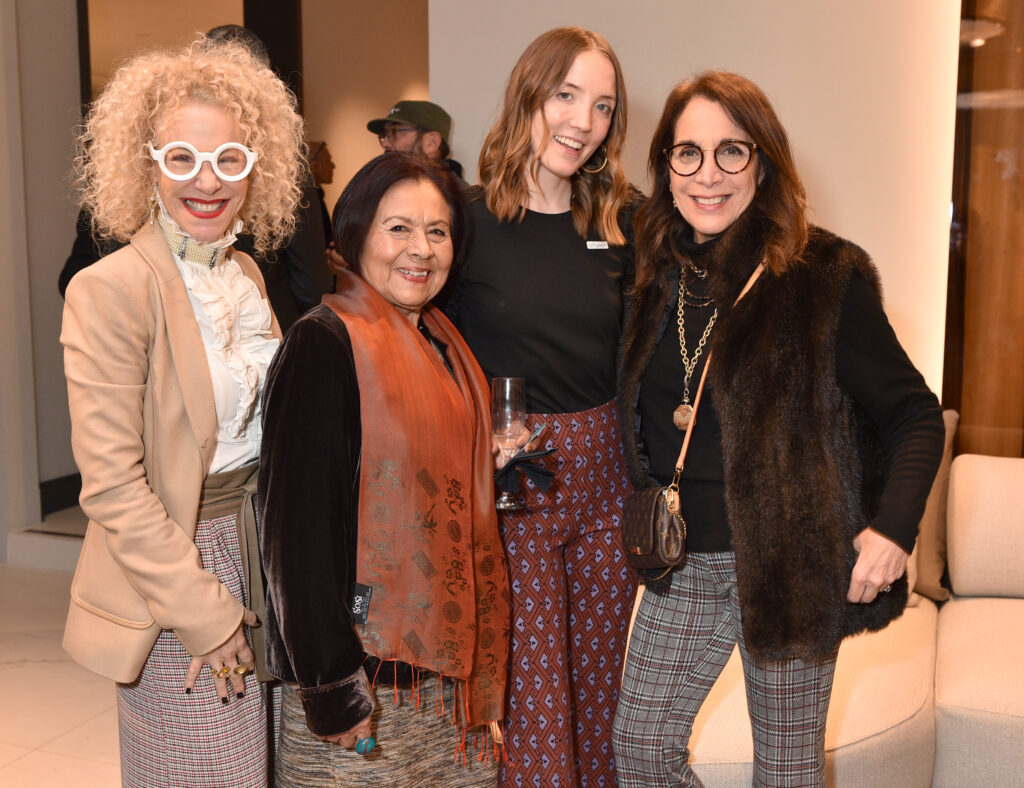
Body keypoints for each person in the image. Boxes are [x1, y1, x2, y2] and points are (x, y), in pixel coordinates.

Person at [611, 70, 945, 787]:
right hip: (681, 561)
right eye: (687, 152)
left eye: (731, 151)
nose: (708, 174)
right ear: (666, 165)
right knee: (639, 752)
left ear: (762, 164)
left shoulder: (822, 275)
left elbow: (915, 412)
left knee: (787, 774)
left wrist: (894, 530)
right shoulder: (652, 274)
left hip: (790, 564)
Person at [60, 39, 305, 787]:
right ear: (146, 167)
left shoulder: (245, 273)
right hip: (174, 567)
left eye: (229, 158)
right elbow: (112, 487)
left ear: (255, 168)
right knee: (206, 773)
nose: (208, 181)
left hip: (259, 551)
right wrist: (205, 612)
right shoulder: (109, 289)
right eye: (182, 159)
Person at [259, 152, 511, 787]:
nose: (420, 249)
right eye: (397, 228)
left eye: (437, 231)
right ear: (354, 234)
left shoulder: (444, 344)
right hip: (364, 682)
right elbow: (296, 534)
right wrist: (332, 691)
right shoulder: (323, 342)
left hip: (447, 686)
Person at [441, 26, 639, 788]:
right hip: (517, 482)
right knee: (535, 703)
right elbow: (427, 346)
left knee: (600, 693)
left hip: (608, 482)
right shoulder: (465, 221)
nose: (583, 122)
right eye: (566, 96)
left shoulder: (620, 220)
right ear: (529, 94)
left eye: (602, 106)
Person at [368, 99, 465, 180]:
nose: (385, 143)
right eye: (384, 134)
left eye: (394, 132)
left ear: (431, 142)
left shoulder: (457, 196)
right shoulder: (384, 187)